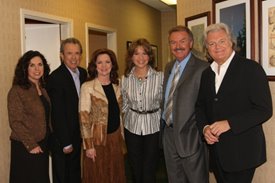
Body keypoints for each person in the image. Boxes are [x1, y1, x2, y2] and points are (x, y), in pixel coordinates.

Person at [196, 23, 273, 183]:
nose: (217, 47)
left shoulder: (251, 69)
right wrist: (205, 129)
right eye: (211, 43)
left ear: (231, 42)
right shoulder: (206, 74)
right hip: (216, 152)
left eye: (222, 41)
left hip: (243, 152)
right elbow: (200, 106)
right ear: (207, 48)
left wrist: (229, 123)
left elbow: (264, 110)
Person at [160, 25, 209, 183]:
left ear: (191, 43)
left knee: (197, 180)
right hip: (169, 134)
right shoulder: (168, 67)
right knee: (174, 179)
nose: (178, 46)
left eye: (182, 41)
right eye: (173, 42)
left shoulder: (203, 68)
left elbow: (206, 106)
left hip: (191, 137)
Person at [79, 48, 126, 183]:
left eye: (107, 62)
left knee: (115, 175)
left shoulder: (117, 86)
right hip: (97, 141)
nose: (104, 66)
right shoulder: (87, 87)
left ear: (112, 65)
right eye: (100, 63)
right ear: (95, 66)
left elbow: (119, 114)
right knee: (98, 176)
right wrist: (89, 146)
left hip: (115, 139)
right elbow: (84, 118)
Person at [121, 38, 163, 183]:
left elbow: (164, 103)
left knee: (150, 168)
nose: (140, 58)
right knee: (135, 167)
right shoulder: (125, 79)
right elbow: (124, 104)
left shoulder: (160, 77)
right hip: (131, 127)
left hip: (153, 127)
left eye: (144, 53)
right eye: (136, 54)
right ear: (131, 57)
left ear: (150, 56)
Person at [46, 38, 87, 183]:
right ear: (62, 55)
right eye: (69, 53)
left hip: (78, 135)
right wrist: (65, 142)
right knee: (63, 177)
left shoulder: (83, 73)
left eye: (77, 53)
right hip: (62, 139)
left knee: (75, 174)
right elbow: (57, 114)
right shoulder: (55, 78)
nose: (74, 57)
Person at [7, 50, 51, 183]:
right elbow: (15, 122)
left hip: (42, 144)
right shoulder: (17, 90)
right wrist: (31, 145)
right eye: (32, 65)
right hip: (26, 147)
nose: (37, 69)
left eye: (40, 64)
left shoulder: (43, 89)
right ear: (25, 68)